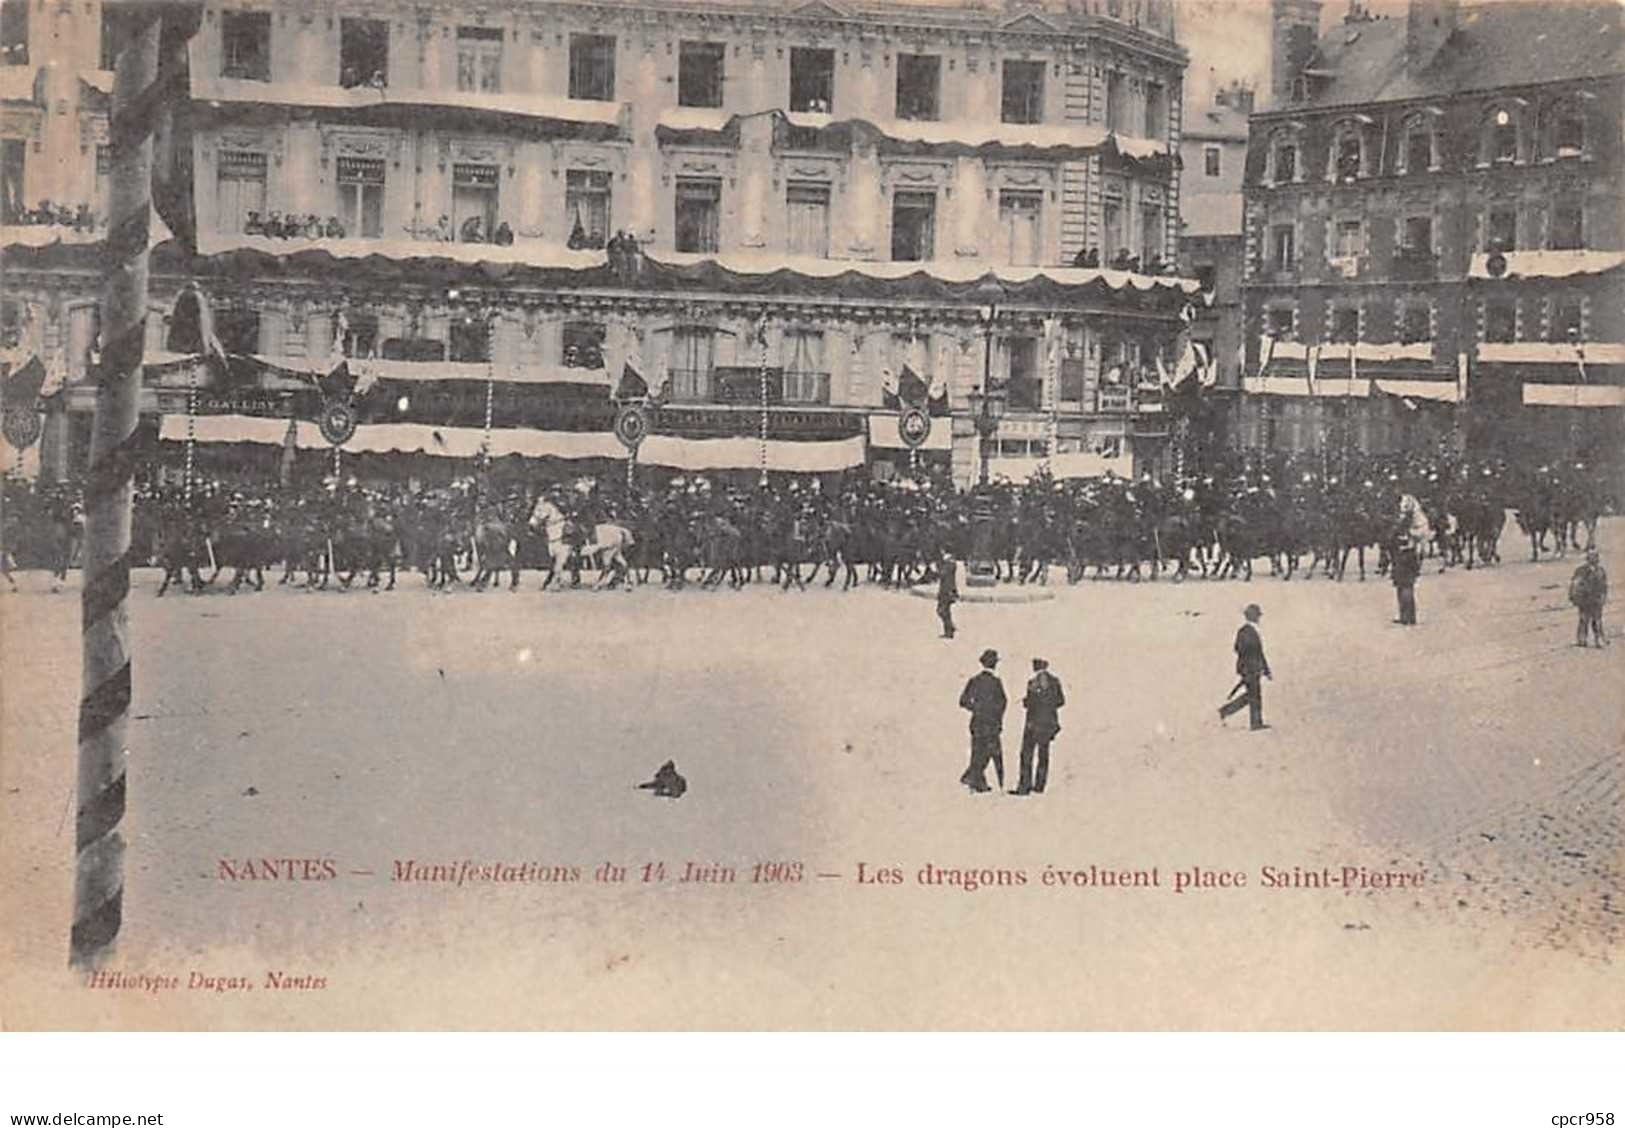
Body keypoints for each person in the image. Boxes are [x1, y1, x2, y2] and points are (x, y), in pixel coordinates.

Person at [1014, 658, 1065, 795]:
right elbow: (1061, 701)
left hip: (1032, 723)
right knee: (1043, 754)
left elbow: (1030, 703)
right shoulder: (1054, 681)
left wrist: (1027, 702)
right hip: (1047, 724)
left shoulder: (1032, 683)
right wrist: (1048, 707)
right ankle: (1039, 786)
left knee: (1027, 754)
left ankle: (1024, 785)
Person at [958, 649, 1006, 793]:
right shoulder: (996, 682)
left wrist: (976, 708)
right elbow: (1003, 702)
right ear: (994, 665)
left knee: (978, 751)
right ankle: (974, 779)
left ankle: (974, 779)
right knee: (989, 752)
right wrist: (997, 716)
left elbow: (963, 701)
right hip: (992, 723)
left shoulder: (974, 681)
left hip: (977, 722)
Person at [1218, 603, 1270, 731]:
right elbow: (1239, 649)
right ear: (1252, 617)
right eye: (1257, 615)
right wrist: (1250, 662)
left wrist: (1265, 669)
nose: (1259, 618)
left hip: (1252, 668)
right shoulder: (1245, 631)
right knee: (1254, 695)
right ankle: (1255, 722)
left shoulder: (1250, 631)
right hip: (1249, 669)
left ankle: (1226, 711)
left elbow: (1258, 652)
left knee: (1252, 695)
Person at [1569, 547, 1609, 648]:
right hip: (1585, 599)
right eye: (1591, 557)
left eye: (1595, 557)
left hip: (1596, 599)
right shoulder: (1581, 570)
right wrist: (1574, 597)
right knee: (1584, 619)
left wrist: (1603, 597)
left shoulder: (1601, 571)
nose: (1594, 559)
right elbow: (1575, 585)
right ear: (1588, 559)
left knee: (1597, 620)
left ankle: (1598, 639)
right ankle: (1582, 639)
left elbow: (1604, 585)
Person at [1391, 533, 1420, 625]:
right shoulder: (1411, 552)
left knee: (1404, 594)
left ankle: (1405, 617)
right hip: (1407, 575)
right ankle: (1410, 617)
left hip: (1403, 574)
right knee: (1407, 594)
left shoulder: (1401, 553)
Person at [936, 551, 958, 638]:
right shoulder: (949, 564)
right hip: (946, 590)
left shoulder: (949, 564)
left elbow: (942, 574)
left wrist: (938, 567)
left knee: (942, 611)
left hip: (946, 591)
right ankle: (949, 629)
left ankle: (949, 629)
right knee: (945, 611)